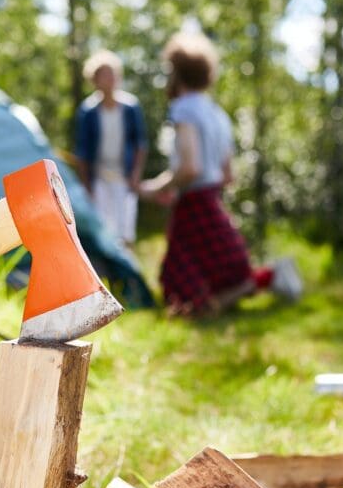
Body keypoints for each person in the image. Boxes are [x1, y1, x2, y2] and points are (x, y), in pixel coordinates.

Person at [139, 32, 301, 315]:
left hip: (194, 201)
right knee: (223, 271)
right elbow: (228, 175)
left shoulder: (183, 109)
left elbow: (190, 167)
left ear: (177, 73)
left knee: (178, 280)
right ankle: (268, 278)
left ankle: (267, 279)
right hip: (210, 196)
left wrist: (158, 187)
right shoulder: (218, 114)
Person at [74, 50, 148, 248]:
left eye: (112, 74)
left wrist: (135, 175)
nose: (109, 79)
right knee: (103, 230)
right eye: (104, 75)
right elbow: (82, 151)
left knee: (126, 229)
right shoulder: (88, 111)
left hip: (124, 178)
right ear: (95, 79)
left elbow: (140, 144)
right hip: (99, 179)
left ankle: (127, 274)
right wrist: (86, 185)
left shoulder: (131, 107)